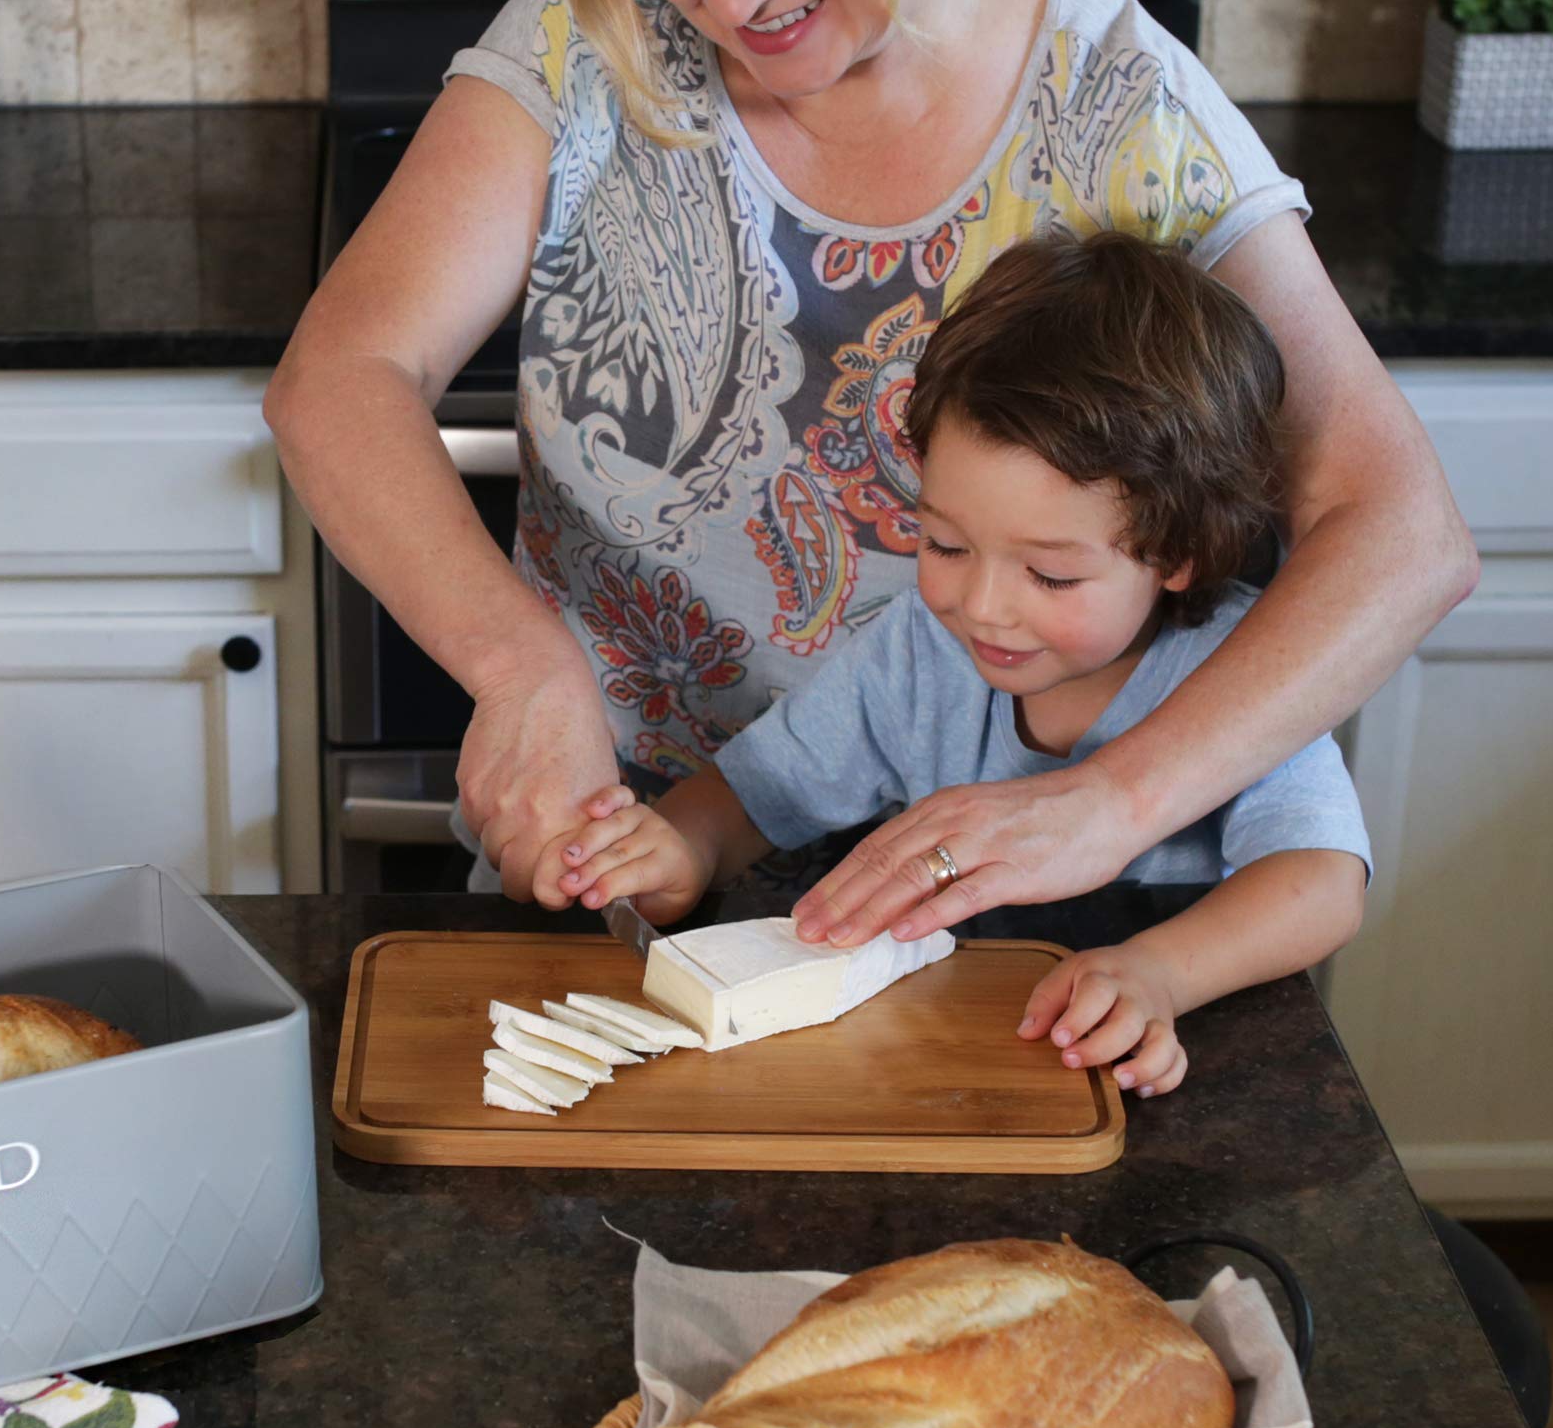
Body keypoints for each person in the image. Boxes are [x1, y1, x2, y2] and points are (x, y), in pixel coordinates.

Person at [265, 0, 1474, 944]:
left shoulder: (1118, 107)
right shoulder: (587, 38)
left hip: (1003, 897)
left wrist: (1119, 801)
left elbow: (1403, 530)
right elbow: (342, 376)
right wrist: (520, 668)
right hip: (639, 850)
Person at [535, 233, 1371, 1098]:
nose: (982, 606)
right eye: (945, 543)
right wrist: (680, 850)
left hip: (1178, 1087)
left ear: (1180, 552)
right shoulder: (921, 655)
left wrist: (1158, 974)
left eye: (1049, 573)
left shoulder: (1247, 678)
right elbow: (754, 794)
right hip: (961, 1084)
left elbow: (1320, 884)